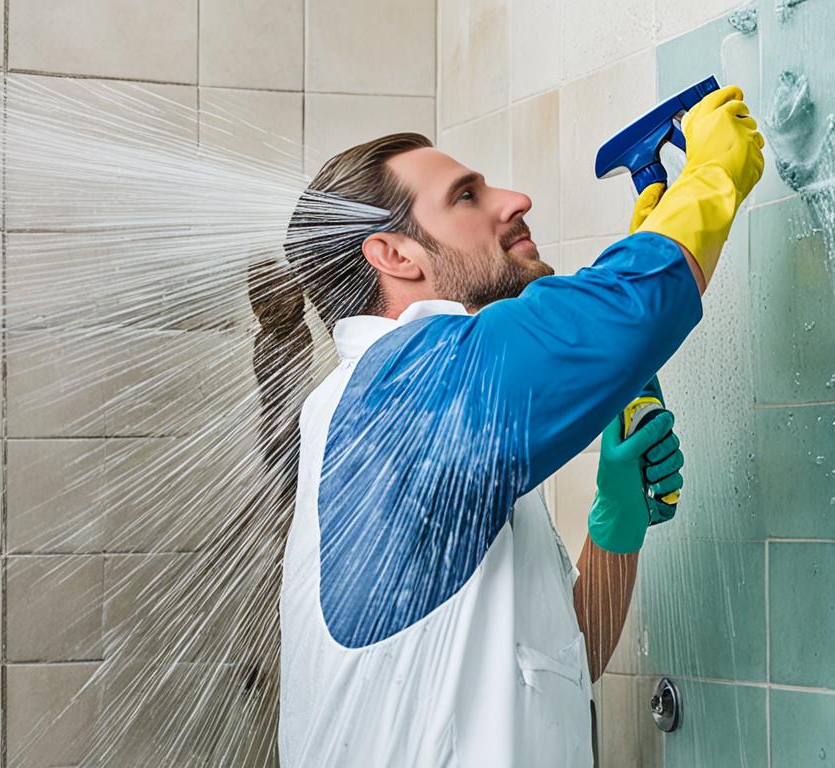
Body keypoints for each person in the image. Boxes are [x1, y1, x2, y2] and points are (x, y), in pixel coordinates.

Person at [249, 85, 763, 766]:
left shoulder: (410, 413)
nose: (515, 200)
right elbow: (622, 314)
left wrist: (616, 527)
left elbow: (569, 659)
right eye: (467, 196)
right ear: (395, 255)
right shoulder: (399, 389)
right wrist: (712, 174)